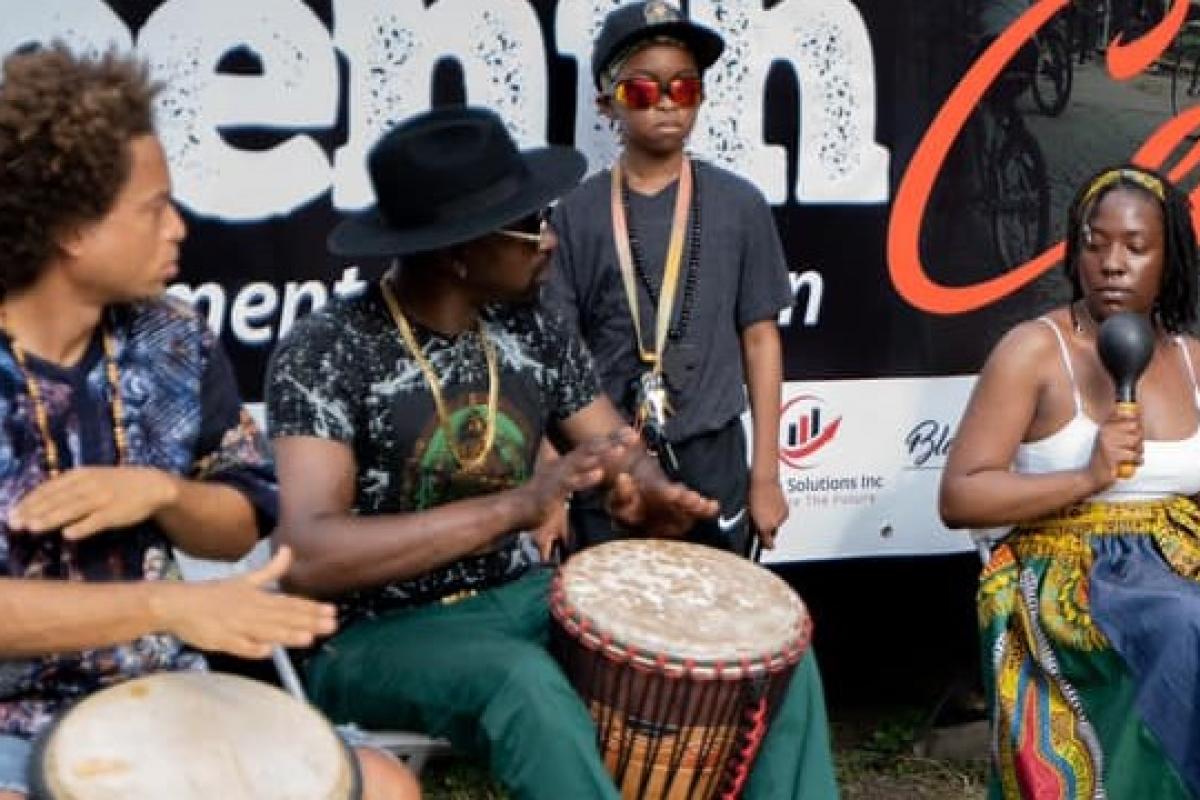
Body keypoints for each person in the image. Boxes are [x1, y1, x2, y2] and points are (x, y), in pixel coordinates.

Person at [267, 104, 838, 800]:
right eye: (531, 226)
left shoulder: (530, 329)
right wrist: (518, 506)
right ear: (459, 250)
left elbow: (611, 446)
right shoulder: (328, 350)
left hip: (525, 598)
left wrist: (646, 490)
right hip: (370, 637)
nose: (550, 241)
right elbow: (309, 555)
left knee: (768, 647)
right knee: (521, 682)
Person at [0, 45, 418, 799]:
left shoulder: (174, 338)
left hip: (155, 685)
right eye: (153, 208)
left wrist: (162, 495)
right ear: (70, 229)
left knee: (389, 787)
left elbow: (238, 524)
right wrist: (168, 604)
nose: (178, 229)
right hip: (9, 718)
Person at [940, 164, 1200, 799]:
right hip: (1064, 572)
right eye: (1095, 243)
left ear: (1169, 260)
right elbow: (961, 495)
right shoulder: (1032, 351)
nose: (1112, 263)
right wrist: (1087, 475)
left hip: (1178, 560)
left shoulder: (1192, 358)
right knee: (1183, 624)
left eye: (1136, 248)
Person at [543, 0, 791, 556]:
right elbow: (551, 362)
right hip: (607, 464)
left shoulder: (739, 204)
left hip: (715, 455)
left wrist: (766, 476)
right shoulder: (576, 215)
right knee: (615, 629)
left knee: (720, 626)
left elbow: (760, 338)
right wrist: (550, 490)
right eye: (642, 90)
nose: (666, 105)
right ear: (608, 102)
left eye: (683, 88)